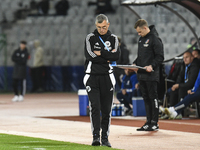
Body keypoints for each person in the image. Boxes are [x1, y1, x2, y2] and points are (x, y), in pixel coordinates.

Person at [83, 14, 120, 147]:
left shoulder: (114, 38)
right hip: (91, 76)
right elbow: (89, 55)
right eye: (99, 27)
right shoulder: (90, 38)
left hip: (108, 77)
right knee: (95, 107)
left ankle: (105, 138)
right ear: (96, 26)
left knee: (106, 109)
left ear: (108, 25)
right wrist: (107, 55)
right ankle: (95, 137)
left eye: (104, 27)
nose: (101, 30)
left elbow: (116, 56)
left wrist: (101, 53)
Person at [131, 19, 164, 131]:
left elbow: (160, 57)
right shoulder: (141, 40)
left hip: (151, 75)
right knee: (146, 98)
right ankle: (148, 121)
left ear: (145, 28)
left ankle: (155, 122)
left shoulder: (155, 39)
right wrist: (135, 63)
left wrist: (152, 66)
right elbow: (141, 57)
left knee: (153, 97)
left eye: (140, 31)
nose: (139, 34)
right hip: (142, 75)